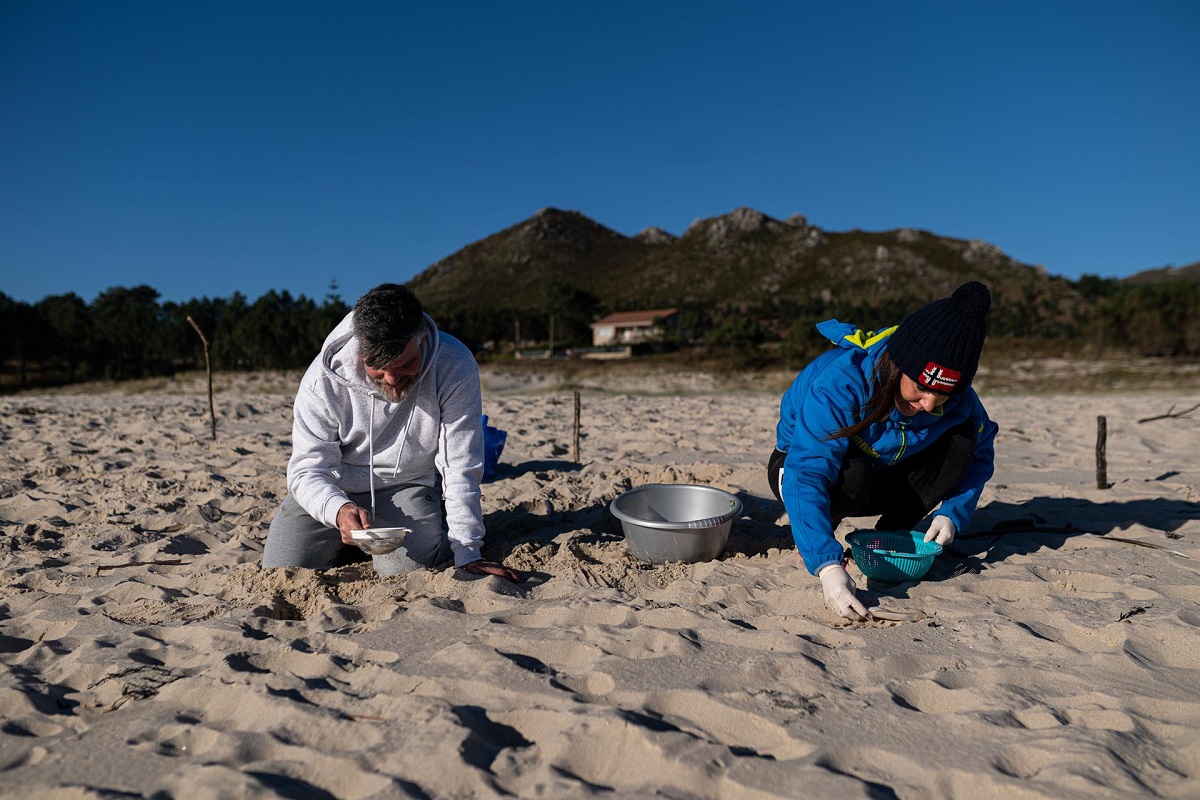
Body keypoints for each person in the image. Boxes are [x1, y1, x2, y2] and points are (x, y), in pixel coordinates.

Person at [261, 283, 523, 583]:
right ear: (361, 348)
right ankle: (345, 538)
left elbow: (461, 465)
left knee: (402, 574)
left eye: (406, 364)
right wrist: (338, 510)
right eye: (378, 368)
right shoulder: (322, 379)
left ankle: (430, 520)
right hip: (336, 487)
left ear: (422, 339)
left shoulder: (454, 365)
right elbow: (307, 470)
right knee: (282, 571)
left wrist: (468, 553)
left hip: (407, 484)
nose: (392, 380)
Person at [768, 281, 998, 620]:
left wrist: (953, 511)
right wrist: (828, 568)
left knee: (962, 441)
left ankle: (890, 535)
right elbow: (807, 473)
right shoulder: (843, 381)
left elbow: (979, 452)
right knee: (853, 476)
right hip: (796, 469)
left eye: (943, 394)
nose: (929, 403)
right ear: (900, 363)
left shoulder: (958, 401)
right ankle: (816, 535)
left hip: (882, 469)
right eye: (921, 387)